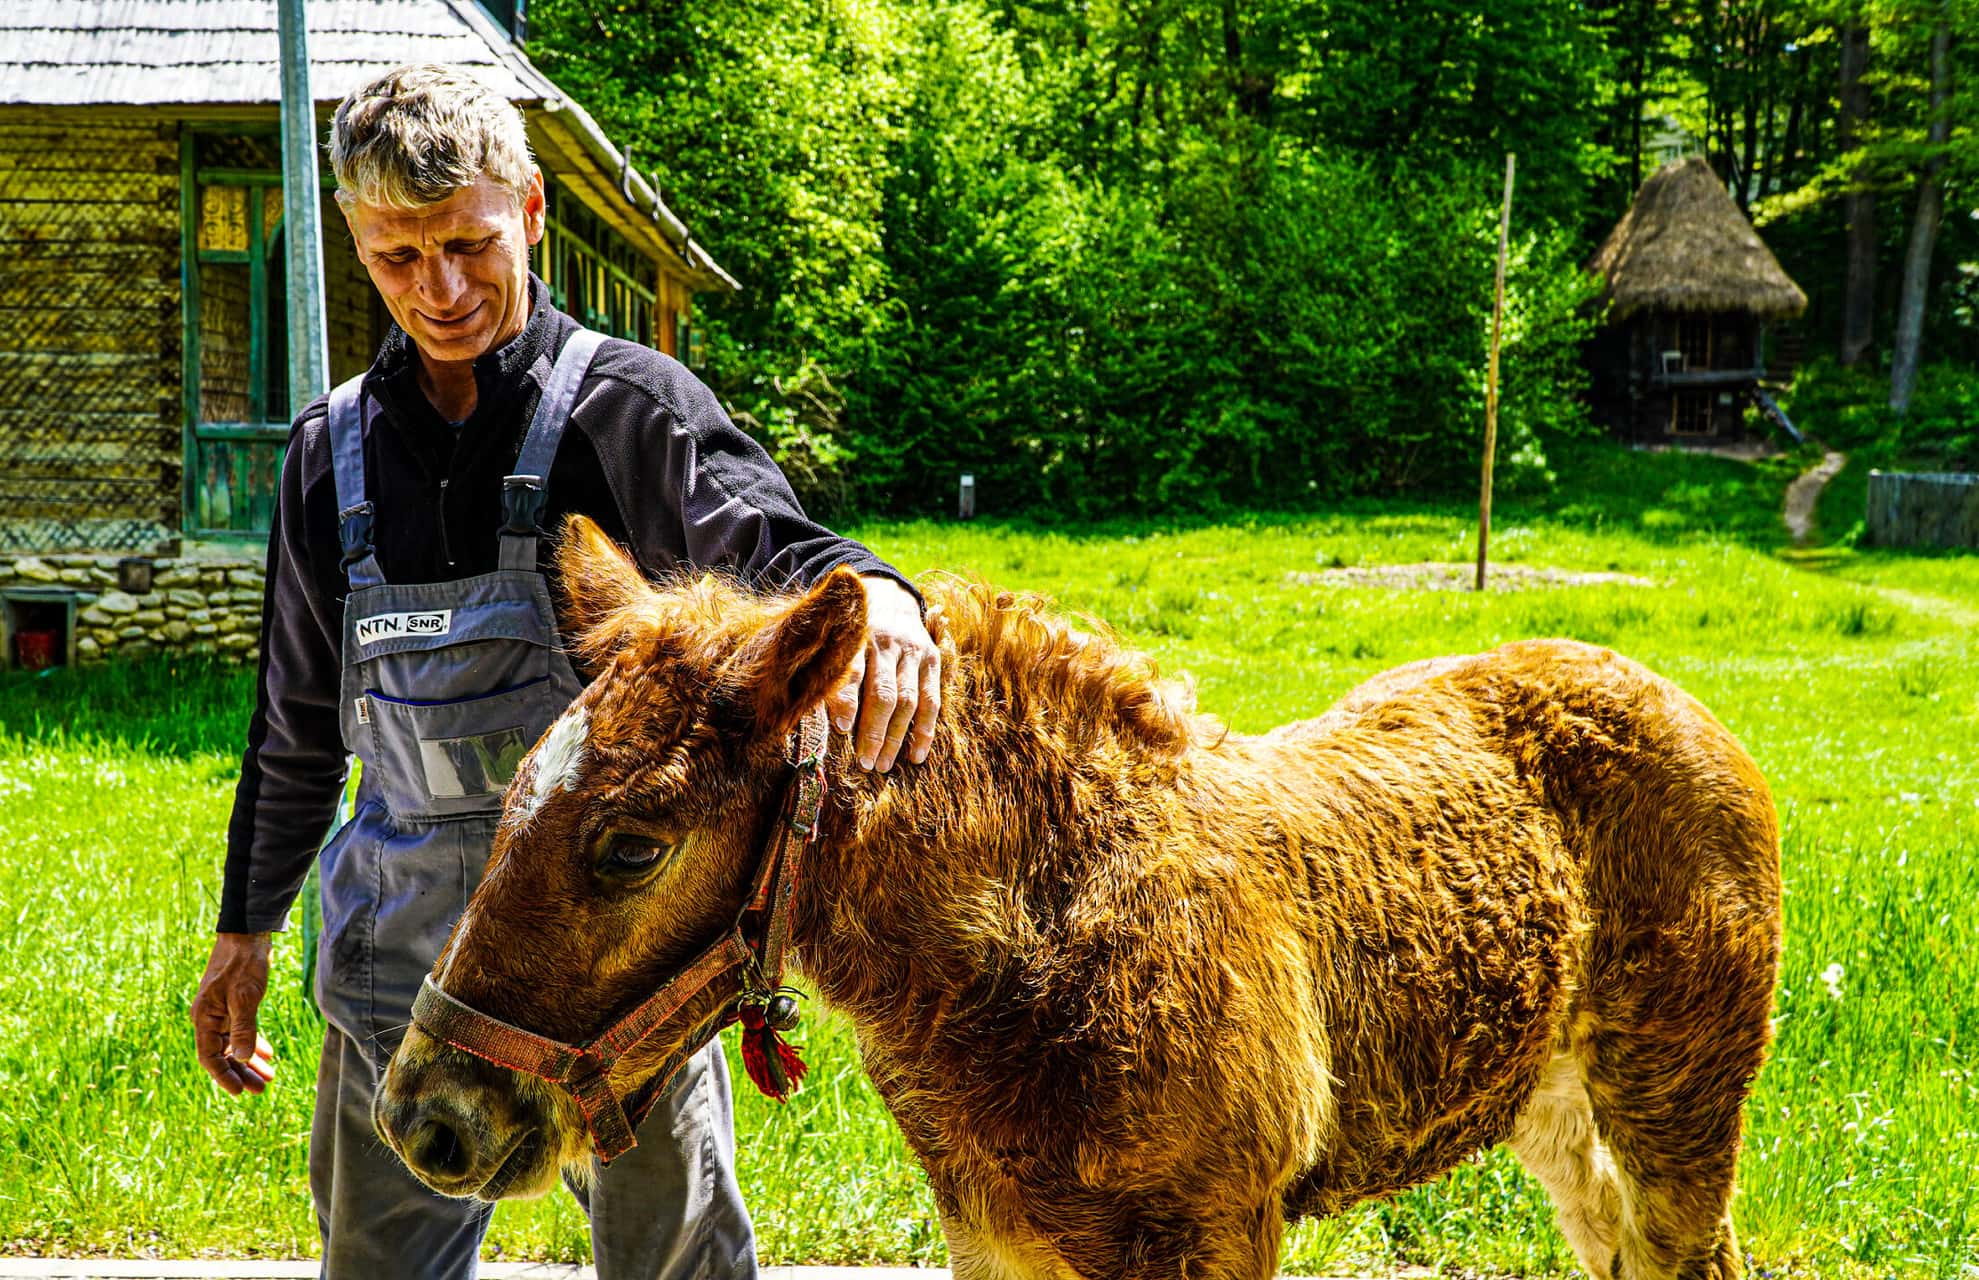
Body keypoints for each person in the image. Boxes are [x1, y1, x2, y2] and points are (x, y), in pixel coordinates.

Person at [187, 63, 941, 1279]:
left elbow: (775, 546)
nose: (438, 289)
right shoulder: (327, 455)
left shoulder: (630, 411)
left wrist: (887, 594)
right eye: (396, 256)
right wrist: (245, 928)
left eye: (469, 244)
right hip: (404, 969)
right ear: (355, 238)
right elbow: (296, 723)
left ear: (530, 210)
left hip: (618, 972)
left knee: (673, 1267)